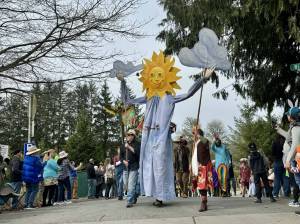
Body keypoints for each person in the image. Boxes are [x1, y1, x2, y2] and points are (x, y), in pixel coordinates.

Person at [118, 52, 215, 206]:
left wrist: (203, 78)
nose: (156, 78)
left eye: (160, 74)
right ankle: (148, 193)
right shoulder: (149, 97)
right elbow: (127, 100)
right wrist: (123, 82)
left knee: (160, 165)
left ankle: (160, 196)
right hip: (148, 137)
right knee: (147, 165)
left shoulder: (168, 97)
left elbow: (188, 94)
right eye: (153, 74)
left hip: (161, 137)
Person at [193, 128, 212, 212]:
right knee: (200, 185)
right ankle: (204, 201)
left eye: (195, 134)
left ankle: (203, 202)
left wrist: (199, 135)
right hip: (198, 166)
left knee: (202, 185)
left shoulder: (204, 141)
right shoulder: (196, 143)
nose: (194, 135)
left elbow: (205, 141)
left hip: (204, 165)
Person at [120, 129, 141, 208]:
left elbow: (137, 153)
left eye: (131, 134)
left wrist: (128, 147)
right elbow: (121, 157)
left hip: (134, 167)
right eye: (128, 134)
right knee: (126, 184)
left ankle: (129, 201)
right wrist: (123, 161)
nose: (129, 136)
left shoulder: (137, 144)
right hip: (125, 168)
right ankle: (134, 195)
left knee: (131, 185)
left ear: (134, 136)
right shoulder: (122, 146)